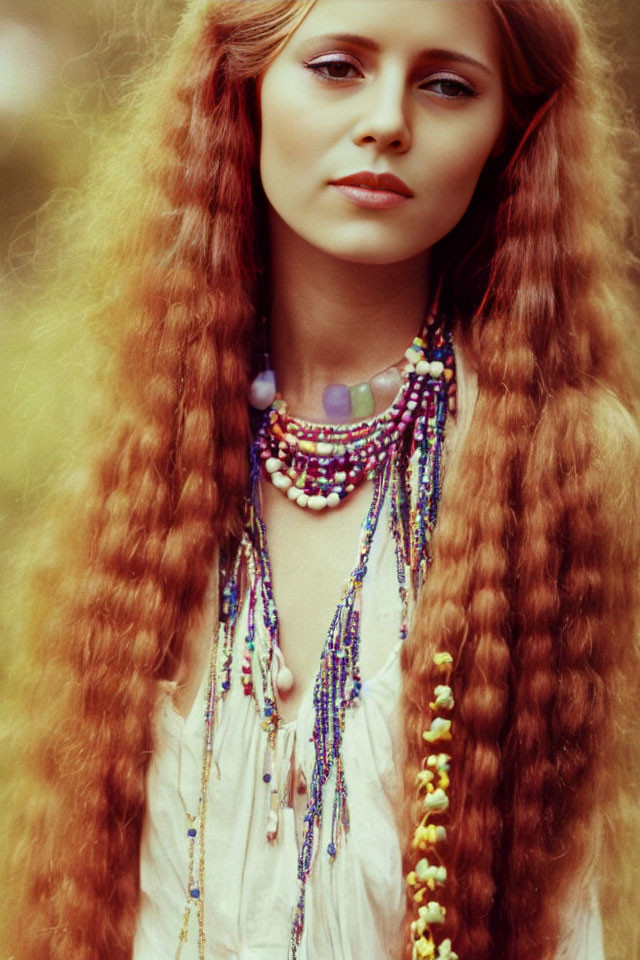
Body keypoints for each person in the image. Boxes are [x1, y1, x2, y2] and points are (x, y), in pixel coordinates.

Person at [4, 1, 640, 959]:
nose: (388, 119)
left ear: (506, 134)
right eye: (339, 66)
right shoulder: (153, 456)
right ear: (245, 86)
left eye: (446, 84)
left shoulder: (563, 468)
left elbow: (565, 916)